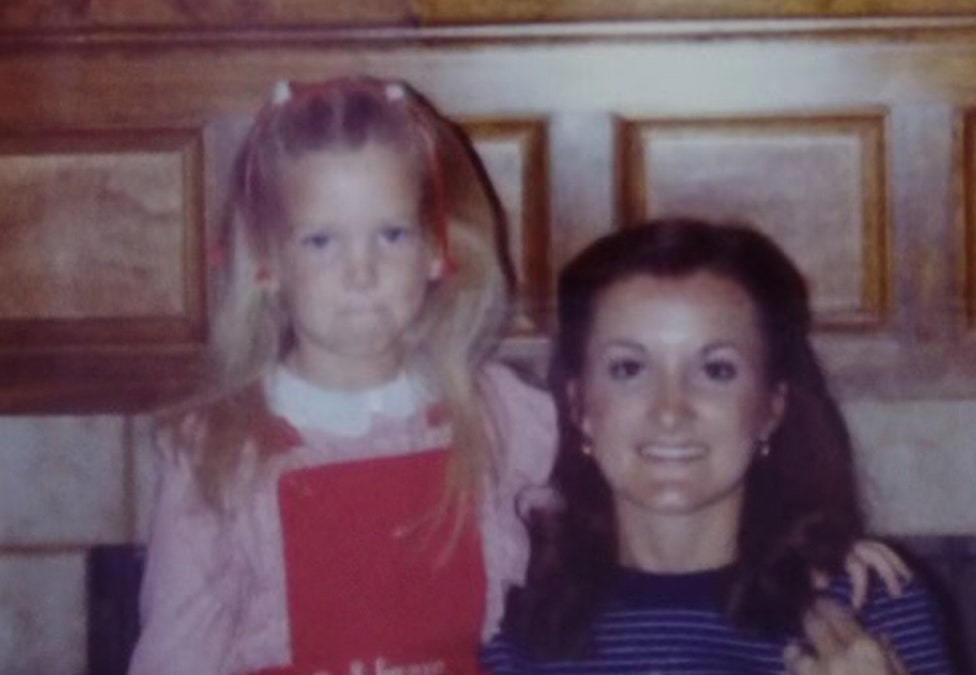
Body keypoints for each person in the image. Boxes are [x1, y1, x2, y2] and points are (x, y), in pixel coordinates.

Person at [129, 78, 909, 675]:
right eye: (321, 241)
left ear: (438, 251)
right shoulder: (217, 449)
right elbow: (175, 648)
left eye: (391, 234)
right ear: (265, 260)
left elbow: (641, 479)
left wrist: (805, 546)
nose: (361, 272)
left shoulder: (496, 413)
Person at [482, 219, 954, 675]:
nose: (670, 410)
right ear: (579, 404)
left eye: (717, 370)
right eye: (628, 369)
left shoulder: (870, 605)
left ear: (772, 407)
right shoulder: (511, 608)